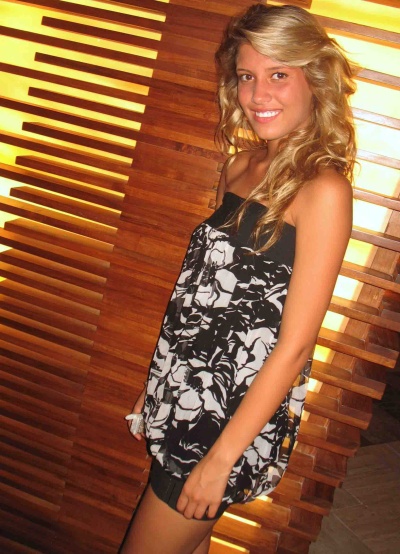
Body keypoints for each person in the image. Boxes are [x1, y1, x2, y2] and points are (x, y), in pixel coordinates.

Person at [119, 3, 356, 553]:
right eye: (247, 76)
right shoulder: (239, 166)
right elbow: (203, 296)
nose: (258, 94)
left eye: (279, 74)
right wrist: (161, 384)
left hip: (229, 420)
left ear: (315, 80)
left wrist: (221, 459)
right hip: (186, 394)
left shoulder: (323, 190)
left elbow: (295, 347)